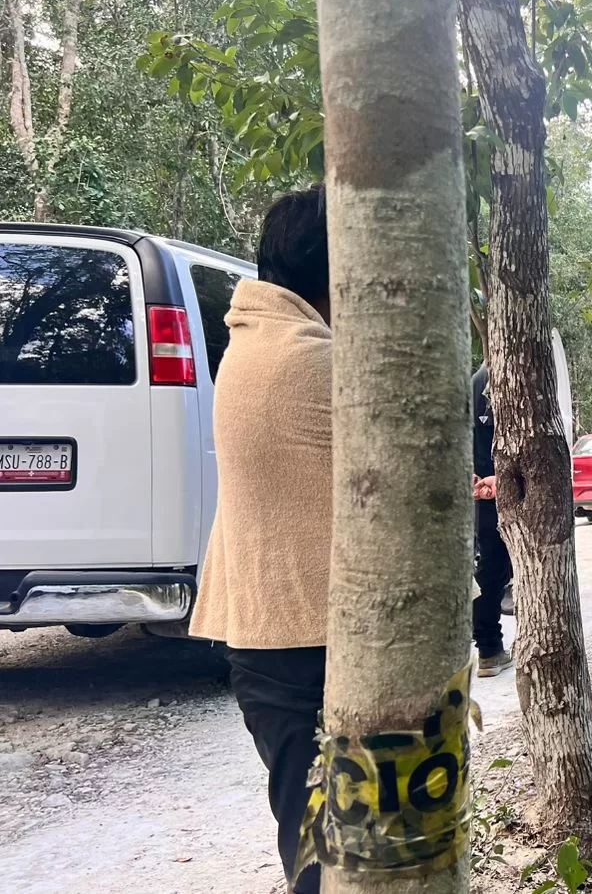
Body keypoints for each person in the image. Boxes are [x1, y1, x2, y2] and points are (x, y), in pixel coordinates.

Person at [189, 187, 331, 894]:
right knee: (339, 849)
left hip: (268, 633)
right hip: (308, 638)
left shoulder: (251, 343)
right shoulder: (313, 358)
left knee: (311, 833)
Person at [470, 362, 514, 678]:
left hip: (483, 493)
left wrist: (474, 479)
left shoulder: (471, 384)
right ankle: (496, 649)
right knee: (528, 569)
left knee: (489, 571)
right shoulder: (519, 376)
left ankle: (489, 649)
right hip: (514, 494)